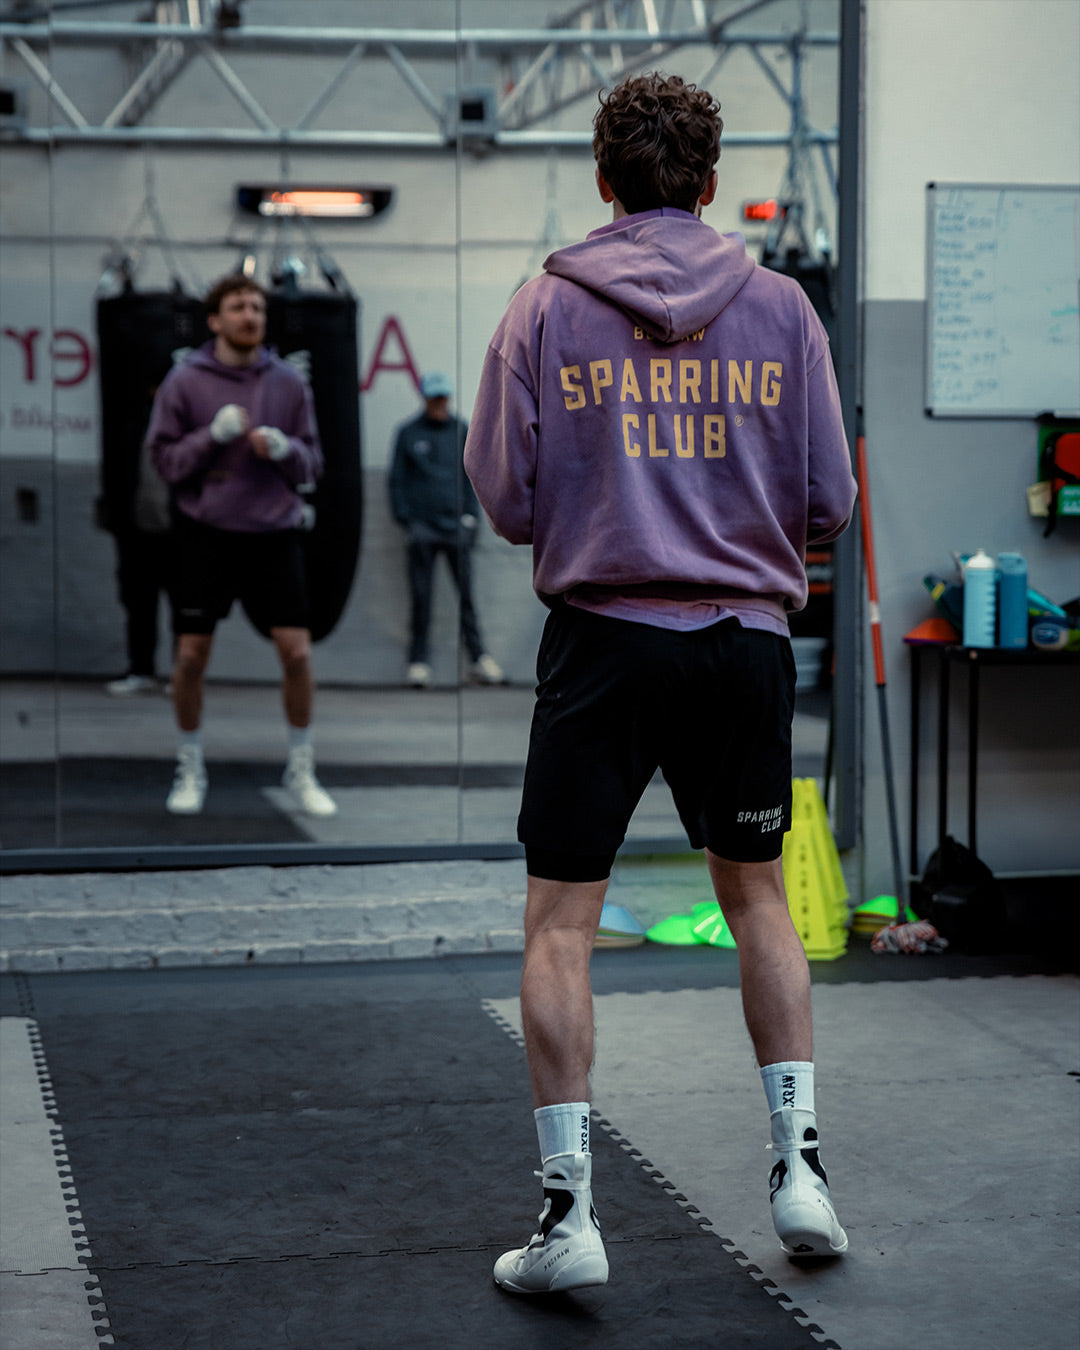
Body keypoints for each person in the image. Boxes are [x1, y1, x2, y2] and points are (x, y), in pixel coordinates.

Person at [464, 72, 857, 1293]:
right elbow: (831, 505)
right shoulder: (783, 306)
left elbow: (505, 500)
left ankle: (568, 1218)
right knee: (758, 901)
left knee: (561, 923)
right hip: (743, 642)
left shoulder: (544, 304)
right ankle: (801, 1177)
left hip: (604, 641)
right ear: (706, 183)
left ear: (603, 180)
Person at [145, 273, 337, 818]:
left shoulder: (288, 383)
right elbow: (162, 462)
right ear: (215, 320)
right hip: (204, 533)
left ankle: (301, 767)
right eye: (238, 306)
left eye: (256, 306)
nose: (250, 314)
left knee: (297, 653)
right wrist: (213, 435)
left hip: (273, 532)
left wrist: (283, 448)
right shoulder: (186, 380)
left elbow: (313, 463)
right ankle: (190, 764)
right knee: (189, 657)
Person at [388, 372, 503, 688]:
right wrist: (407, 521)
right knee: (421, 599)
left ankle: (479, 659)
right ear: (425, 398)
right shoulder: (408, 433)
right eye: (434, 397)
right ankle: (418, 663)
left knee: (466, 597)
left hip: (456, 530)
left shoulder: (461, 430)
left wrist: (471, 518)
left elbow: (472, 477)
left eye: (443, 397)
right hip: (423, 530)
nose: (439, 403)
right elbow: (396, 481)